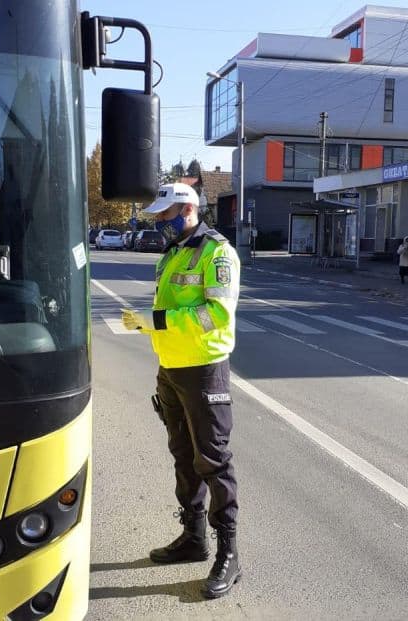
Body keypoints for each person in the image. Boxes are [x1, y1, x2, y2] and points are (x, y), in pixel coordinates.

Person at [121, 182, 242, 599]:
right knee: (183, 456)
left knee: (212, 460)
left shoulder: (218, 252)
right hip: (171, 368)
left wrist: (155, 321)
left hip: (204, 370)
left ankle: (229, 552)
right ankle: (193, 538)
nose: (159, 222)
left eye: (165, 214)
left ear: (188, 209)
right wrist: (150, 323)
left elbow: (218, 313)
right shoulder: (173, 253)